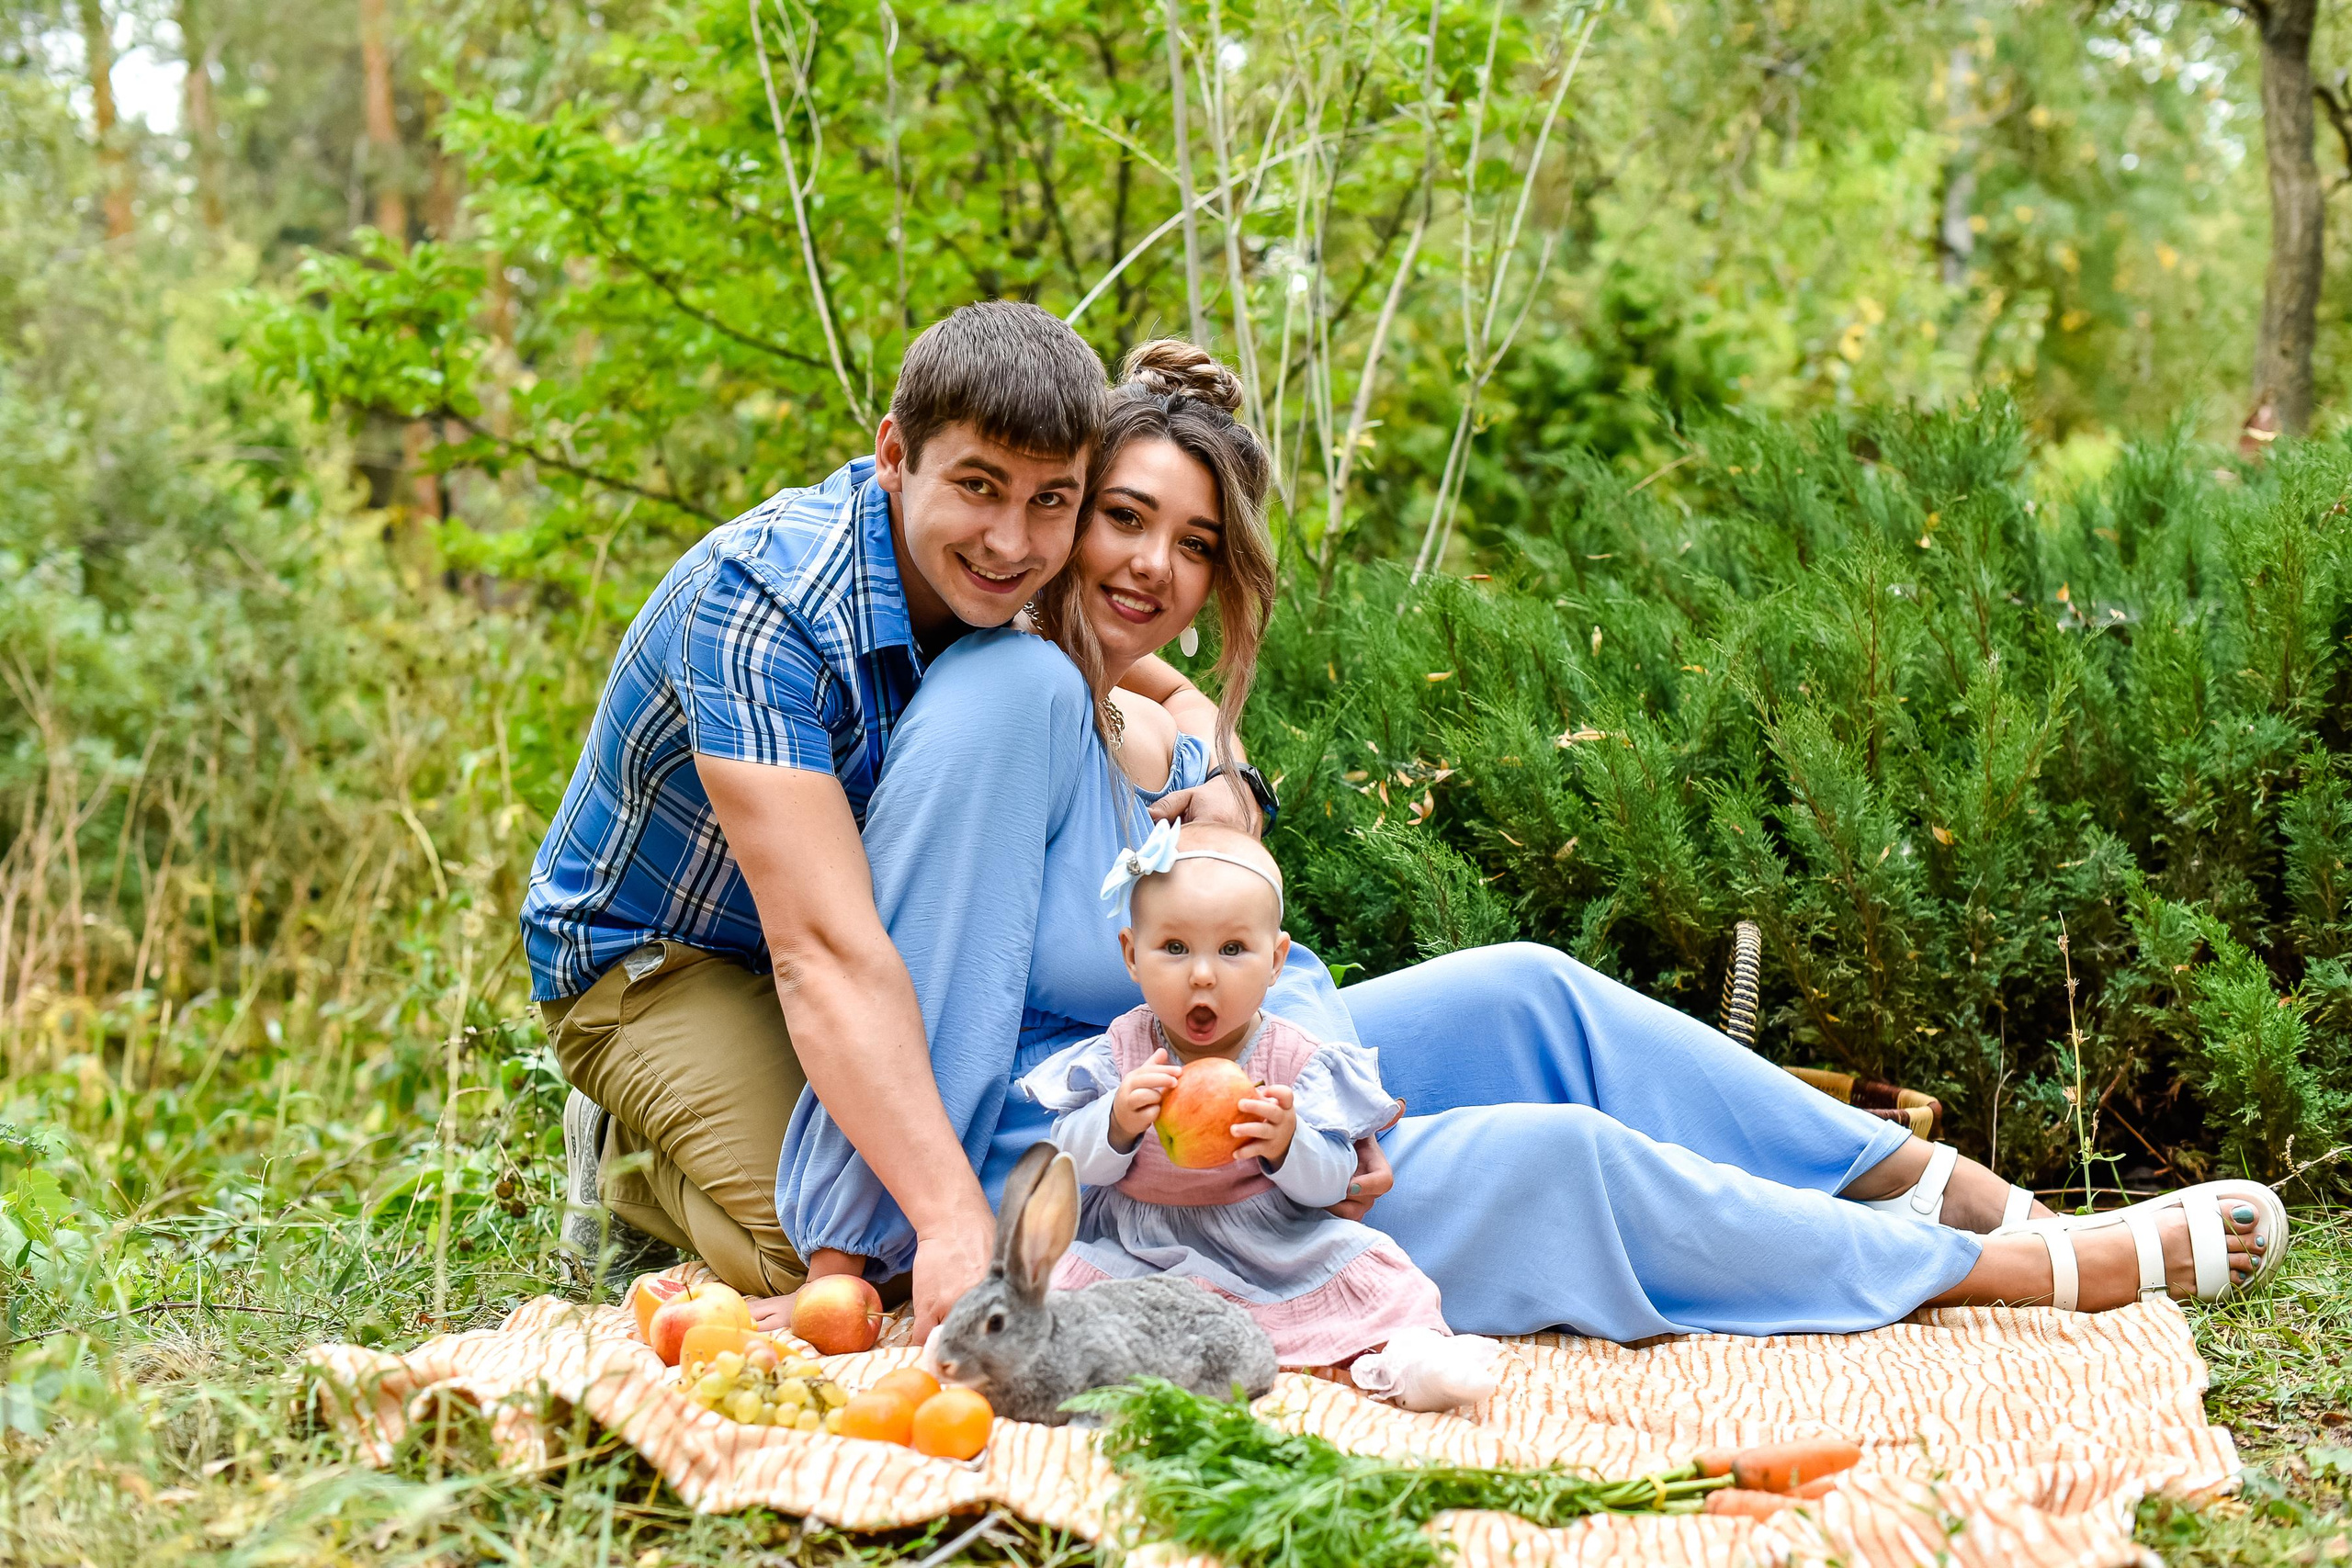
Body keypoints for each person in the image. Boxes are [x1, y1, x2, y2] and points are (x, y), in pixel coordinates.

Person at [779, 338, 2286, 1344]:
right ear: (1055, 510)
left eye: (1198, 546)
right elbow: (918, 994)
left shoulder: (1156, 735)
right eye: (1118, 516)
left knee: (1525, 990)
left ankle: (1932, 1178)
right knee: (1551, 1156)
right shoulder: (1006, 699)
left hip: (1217, 1093)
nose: (1153, 566)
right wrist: (901, 1245)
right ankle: (2002, 1271)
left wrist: (1327, 1083)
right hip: (1076, 1170)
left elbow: (1246, 963)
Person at [520, 303, 1261, 1337]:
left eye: (1053, 503)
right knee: (846, 1243)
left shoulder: (1001, 565)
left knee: (893, 1188)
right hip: (659, 962)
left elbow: (1110, 630)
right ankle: (622, 1159)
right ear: (893, 458)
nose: (1011, 542)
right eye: (977, 488)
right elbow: (821, 952)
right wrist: (951, 1216)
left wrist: (1200, 728)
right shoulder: (759, 609)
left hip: (847, 934)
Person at [1020, 820, 1503, 1410]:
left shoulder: (1295, 1060)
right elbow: (1068, 1159)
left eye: (1231, 950)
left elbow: (1333, 1182)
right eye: (1174, 948)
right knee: (1051, 1280)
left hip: (1267, 1245)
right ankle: (1007, 1355)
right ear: (1131, 955)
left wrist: (1287, 1142)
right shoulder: (1120, 1053)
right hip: (1139, 1247)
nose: (1202, 973)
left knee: (1377, 1271)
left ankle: (1414, 1361)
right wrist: (1115, 1122)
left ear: (1276, 961)